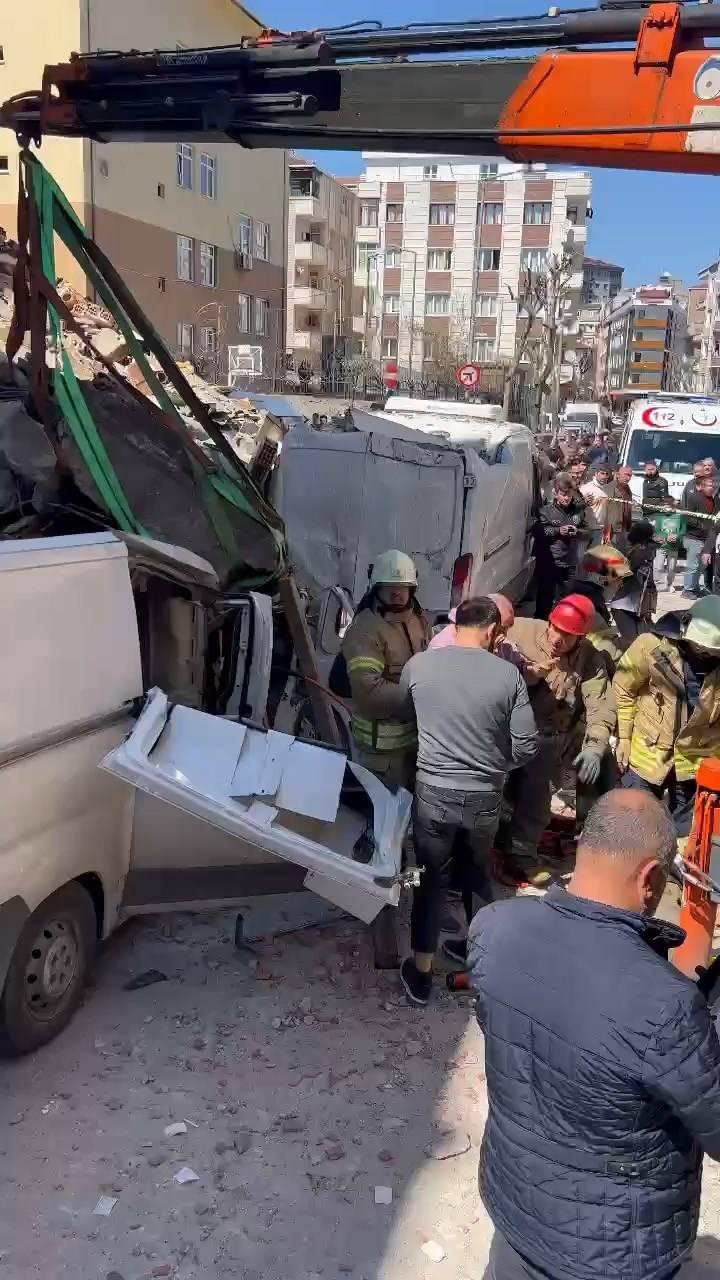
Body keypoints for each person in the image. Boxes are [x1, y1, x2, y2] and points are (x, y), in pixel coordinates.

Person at [470, 788, 720, 1280]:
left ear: (584, 845)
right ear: (651, 878)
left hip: (515, 1206)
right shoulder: (664, 1005)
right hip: (613, 1252)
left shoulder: (493, 929)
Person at [397, 598, 538, 1005]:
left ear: (456, 623)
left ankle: (421, 976)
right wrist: (496, 766)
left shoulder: (419, 665)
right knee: (476, 877)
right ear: (492, 629)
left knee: (428, 879)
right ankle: (481, 964)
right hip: (484, 799)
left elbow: (406, 715)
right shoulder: (507, 675)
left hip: (433, 796)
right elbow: (527, 744)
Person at [501, 593, 616, 883]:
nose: (557, 639)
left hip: (547, 737)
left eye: (568, 635)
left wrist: (594, 747)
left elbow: (601, 705)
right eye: (556, 629)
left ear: (581, 637)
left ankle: (522, 856)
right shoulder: (519, 630)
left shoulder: (590, 659)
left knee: (535, 799)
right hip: (505, 731)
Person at [613, 594, 720, 828]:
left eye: (712, 652)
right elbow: (623, 688)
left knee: (684, 833)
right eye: (700, 648)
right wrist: (623, 737)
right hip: (647, 754)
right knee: (635, 825)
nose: (705, 654)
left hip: (694, 763)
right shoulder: (650, 647)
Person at [341, 549, 431, 788]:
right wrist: (422, 694)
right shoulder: (365, 629)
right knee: (382, 817)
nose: (396, 593)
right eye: (389, 586)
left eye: (402, 587)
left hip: (414, 746)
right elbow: (369, 693)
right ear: (376, 588)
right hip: (380, 755)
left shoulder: (418, 620)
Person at [535, 474, 589, 617]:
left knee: (565, 600)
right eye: (563, 494)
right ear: (555, 493)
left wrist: (577, 532)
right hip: (549, 562)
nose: (566, 498)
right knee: (545, 598)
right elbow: (539, 532)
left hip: (569, 562)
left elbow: (587, 532)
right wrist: (559, 531)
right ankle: (540, 624)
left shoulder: (578, 511)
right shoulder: (545, 511)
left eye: (569, 495)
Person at [429, 593, 526, 672]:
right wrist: (489, 655)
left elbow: (518, 663)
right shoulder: (443, 645)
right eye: (501, 629)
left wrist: (529, 669)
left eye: (507, 629)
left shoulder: (500, 642)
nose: (504, 635)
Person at [610, 519, 657, 648]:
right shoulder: (634, 555)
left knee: (645, 644)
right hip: (623, 609)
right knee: (633, 643)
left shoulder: (646, 551)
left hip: (639, 610)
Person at [682, 473, 719, 596]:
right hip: (694, 536)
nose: (712, 487)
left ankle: (696, 587)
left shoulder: (716, 500)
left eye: (713, 485)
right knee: (692, 565)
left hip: (707, 538)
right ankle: (687, 589)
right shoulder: (694, 498)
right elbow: (687, 516)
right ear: (702, 487)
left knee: (701, 567)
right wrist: (701, 525)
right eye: (709, 485)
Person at [650, 502, 686, 591]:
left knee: (671, 568)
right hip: (661, 545)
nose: (666, 508)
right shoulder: (659, 517)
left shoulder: (679, 517)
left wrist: (677, 536)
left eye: (668, 506)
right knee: (659, 566)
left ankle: (669, 584)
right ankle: (659, 584)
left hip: (674, 546)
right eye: (664, 506)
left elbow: (683, 530)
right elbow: (656, 531)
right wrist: (666, 537)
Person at [580, 463, 614, 539]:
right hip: (586, 529)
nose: (604, 476)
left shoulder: (608, 490)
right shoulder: (586, 488)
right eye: (602, 473)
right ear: (596, 474)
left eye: (607, 474)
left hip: (599, 530)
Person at [607, 463, 638, 543]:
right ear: (617, 474)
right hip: (613, 528)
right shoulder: (610, 487)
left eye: (630, 476)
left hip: (624, 528)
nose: (628, 478)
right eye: (626, 474)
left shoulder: (627, 488)